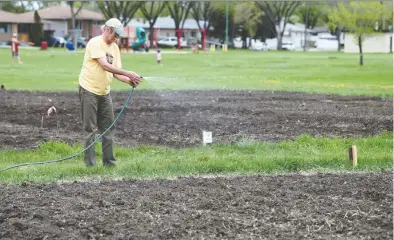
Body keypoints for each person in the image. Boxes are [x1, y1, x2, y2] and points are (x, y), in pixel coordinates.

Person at [78, 18, 142, 167]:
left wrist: (129, 80)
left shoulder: (115, 48)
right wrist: (129, 73)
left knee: (108, 128)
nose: (116, 38)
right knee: (90, 128)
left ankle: (109, 163)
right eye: (115, 34)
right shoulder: (95, 43)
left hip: (104, 92)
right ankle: (90, 164)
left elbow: (115, 72)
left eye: (118, 36)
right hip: (89, 90)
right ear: (108, 30)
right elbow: (105, 66)